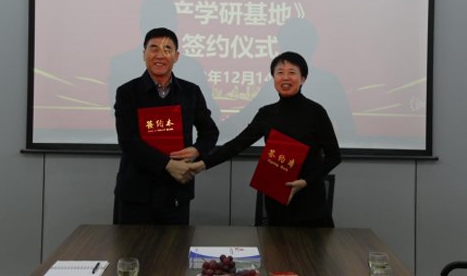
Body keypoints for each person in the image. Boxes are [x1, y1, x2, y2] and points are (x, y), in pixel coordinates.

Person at [174, 51, 341, 227]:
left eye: (292, 72)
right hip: (276, 200)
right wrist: (202, 164)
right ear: (273, 78)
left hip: (310, 200)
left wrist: (305, 182)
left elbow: (334, 157)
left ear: (303, 79)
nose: (285, 77)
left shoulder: (316, 112)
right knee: (275, 243)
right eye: (280, 72)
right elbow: (237, 144)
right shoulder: (267, 113)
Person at [113, 27, 219, 225]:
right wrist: (168, 164)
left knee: (175, 245)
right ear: (144, 54)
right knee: (132, 245)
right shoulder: (127, 92)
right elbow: (128, 141)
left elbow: (210, 132)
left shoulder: (190, 92)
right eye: (153, 48)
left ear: (176, 56)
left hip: (176, 191)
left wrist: (197, 150)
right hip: (136, 192)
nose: (160, 55)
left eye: (167, 49)